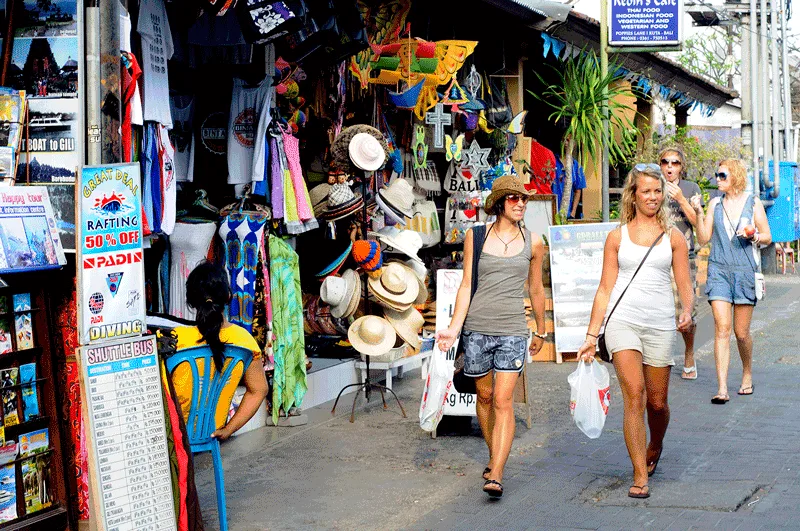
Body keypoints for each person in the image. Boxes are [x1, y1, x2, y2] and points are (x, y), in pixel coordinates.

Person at [577, 164, 694, 499]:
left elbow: (684, 284)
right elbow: (604, 289)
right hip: (622, 321)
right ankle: (639, 474)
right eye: (646, 191)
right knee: (635, 394)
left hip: (659, 324)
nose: (653, 197)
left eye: (658, 191)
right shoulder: (617, 237)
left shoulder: (674, 238)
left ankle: (656, 442)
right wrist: (590, 335)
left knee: (657, 404)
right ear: (634, 195)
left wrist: (686, 310)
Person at [436, 175, 547, 498]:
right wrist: (454, 328)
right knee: (483, 397)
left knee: (502, 400)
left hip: (513, 329)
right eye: (514, 199)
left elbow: (536, 288)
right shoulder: (477, 236)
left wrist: (539, 329)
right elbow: (467, 284)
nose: (521, 204)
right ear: (500, 203)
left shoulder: (534, 241)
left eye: (524, 199)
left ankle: (497, 471)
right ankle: (493, 453)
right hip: (477, 329)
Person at [691, 159, 771, 403]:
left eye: (722, 175)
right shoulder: (715, 203)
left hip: (745, 271)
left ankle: (747, 372)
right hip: (719, 271)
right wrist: (697, 211)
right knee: (722, 329)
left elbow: (767, 236)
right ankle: (722, 388)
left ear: (735, 176)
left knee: (741, 333)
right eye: (717, 175)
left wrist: (754, 235)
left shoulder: (752, 203)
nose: (718, 179)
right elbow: (704, 238)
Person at [172, 261, 269, 440]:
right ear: (228, 296)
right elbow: (259, 390)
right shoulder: (244, 340)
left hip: (174, 433)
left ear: (191, 301)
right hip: (212, 429)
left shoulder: (174, 338)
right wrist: (228, 429)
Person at [659, 147, 703, 381]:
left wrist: (680, 199)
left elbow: (699, 223)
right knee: (658, 310)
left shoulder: (691, 189)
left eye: (674, 163)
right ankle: (660, 357)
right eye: (665, 162)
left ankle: (688, 353)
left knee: (686, 311)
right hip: (657, 257)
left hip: (684, 259)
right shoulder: (653, 187)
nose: (669, 166)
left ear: (681, 167)